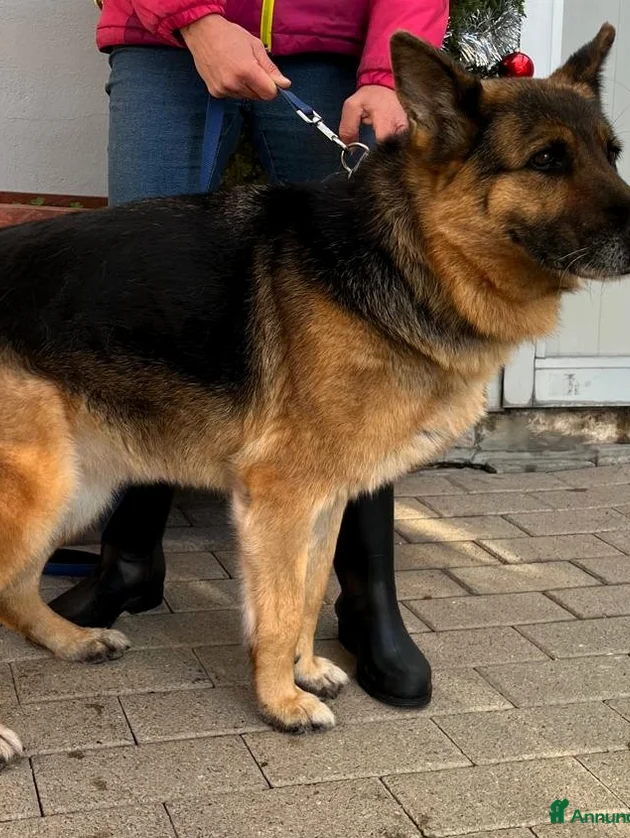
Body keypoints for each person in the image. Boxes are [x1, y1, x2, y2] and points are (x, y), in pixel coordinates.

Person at [48, 0, 449, 707]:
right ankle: (128, 562)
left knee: (363, 324)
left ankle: (367, 601)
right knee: (143, 294)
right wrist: (194, 18)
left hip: (329, 43)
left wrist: (387, 73)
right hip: (165, 43)